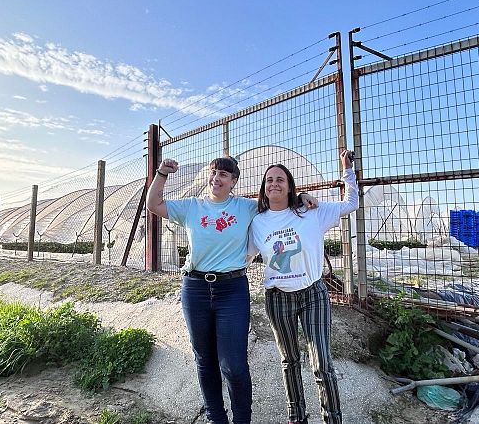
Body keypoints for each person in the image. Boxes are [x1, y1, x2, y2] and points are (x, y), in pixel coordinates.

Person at [146, 155, 317, 424]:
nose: (216, 178)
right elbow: (153, 204)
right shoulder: (192, 207)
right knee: (204, 359)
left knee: (234, 365)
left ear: (234, 181)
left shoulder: (246, 207)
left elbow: (276, 199)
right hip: (195, 288)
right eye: (213, 172)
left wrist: (302, 195)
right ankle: (216, 417)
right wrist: (162, 174)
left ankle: (242, 420)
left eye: (223, 174)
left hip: (232, 290)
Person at [248, 150, 358, 424]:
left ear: (289, 185)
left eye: (280, 179)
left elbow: (351, 203)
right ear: (263, 188)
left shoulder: (310, 212)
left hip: (313, 294)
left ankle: (332, 418)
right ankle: (296, 417)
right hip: (277, 298)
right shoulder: (257, 223)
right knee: (289, 361)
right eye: (269, 180)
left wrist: (347, 170)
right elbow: (244, 257)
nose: (274, 183)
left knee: (322, 364)